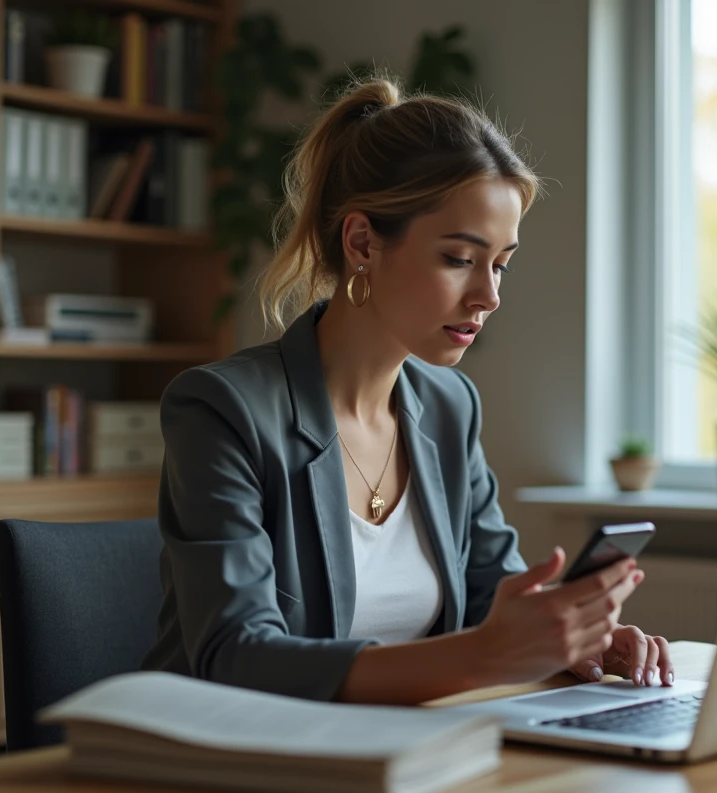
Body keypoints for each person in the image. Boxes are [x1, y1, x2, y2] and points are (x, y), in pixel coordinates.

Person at [142, 76, 675, 705]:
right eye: (458, 258)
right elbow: (235, 656)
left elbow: (487, 594)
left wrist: (572, 641)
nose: (490, 296)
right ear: (363, 243)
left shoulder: (450, 408)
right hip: (244, 758)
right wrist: (484, 656)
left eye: (500, 263)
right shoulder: (223, 410)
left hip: (410, 751)